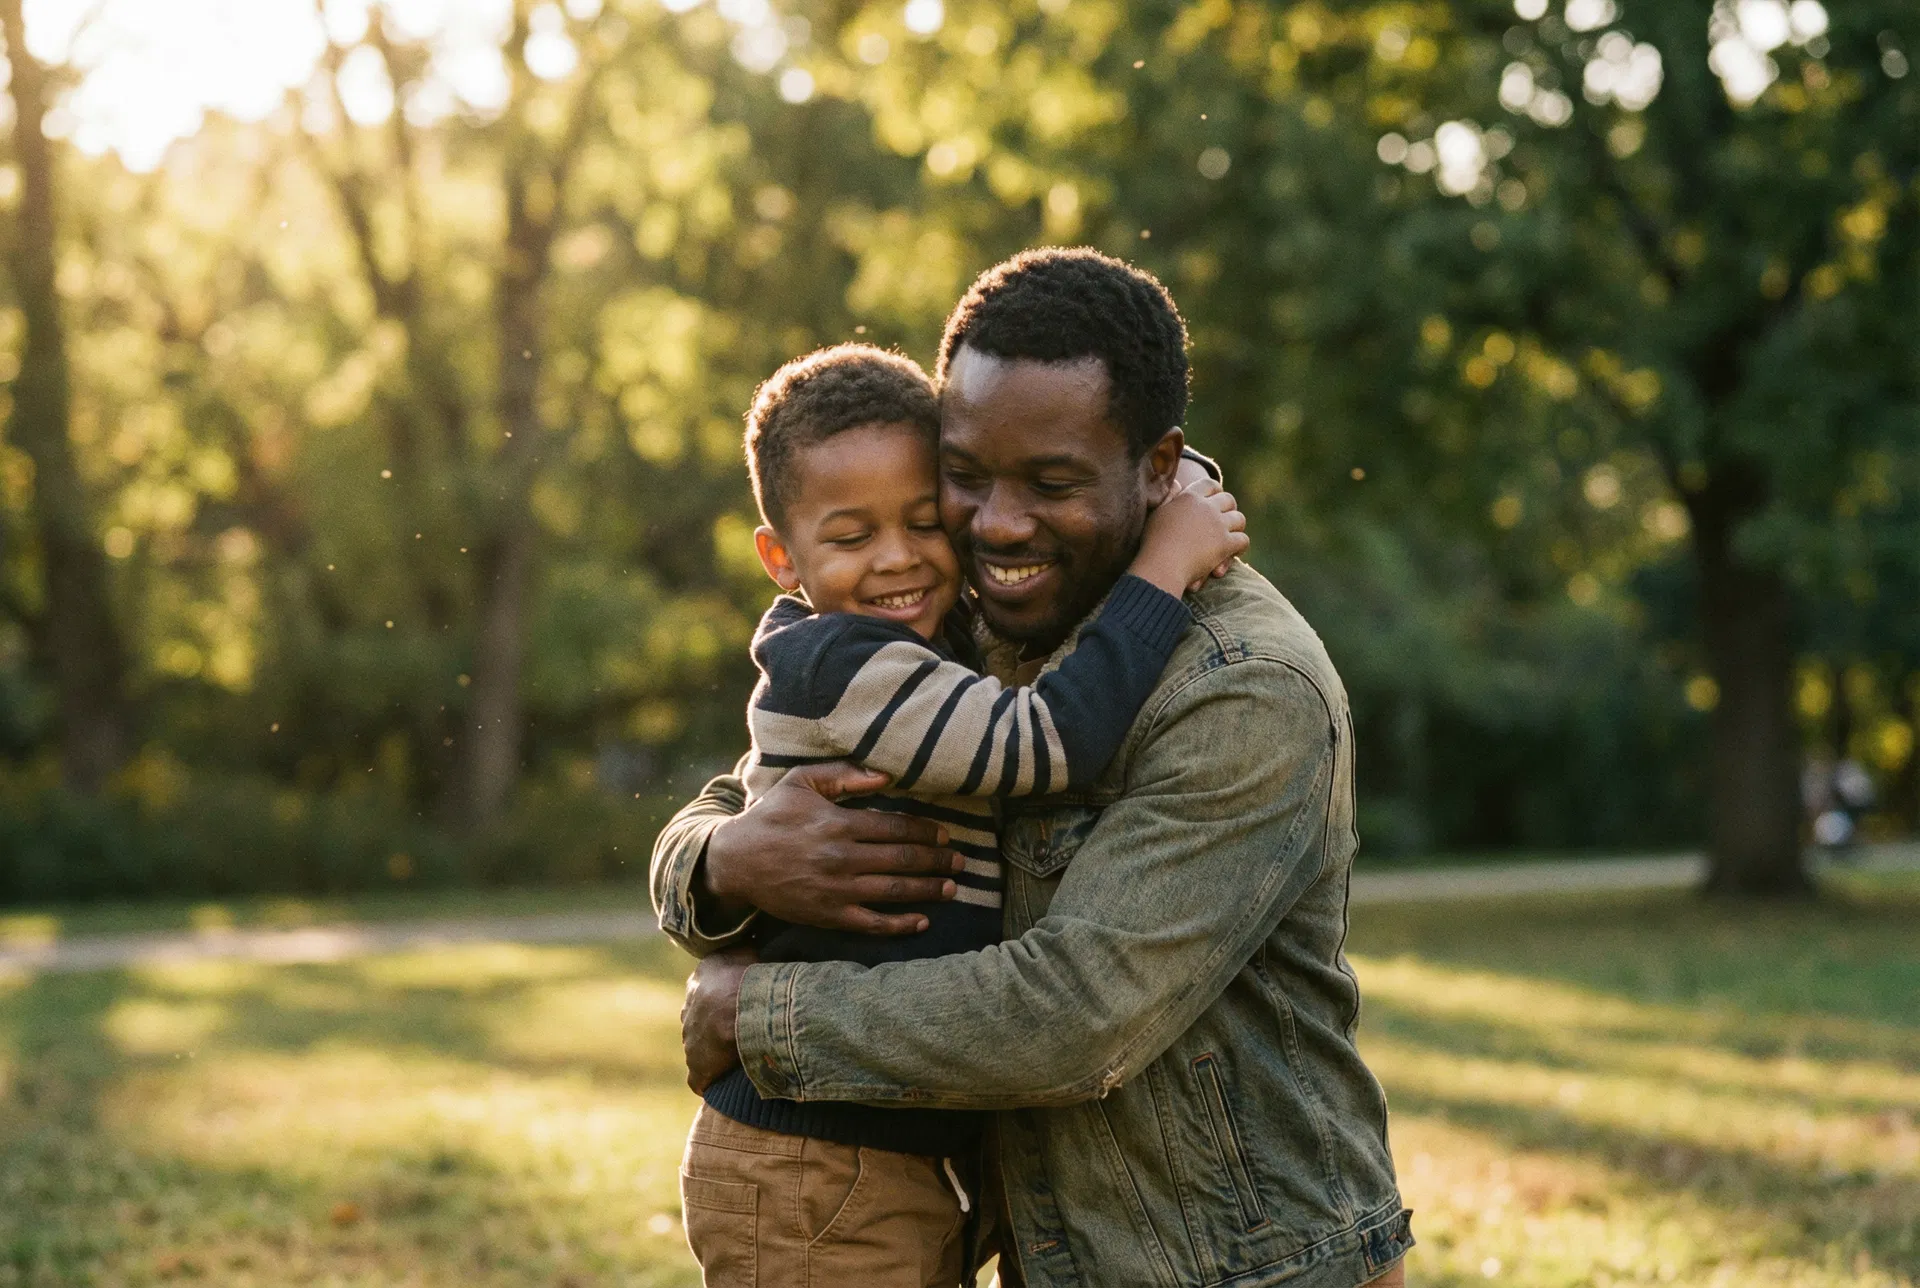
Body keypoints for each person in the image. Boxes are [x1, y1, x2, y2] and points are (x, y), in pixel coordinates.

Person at [655, 248, 1412, 1288]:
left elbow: (1074, 1017)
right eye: (963, 479)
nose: (995, 524)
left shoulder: (1243, 687)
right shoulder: (963, 616)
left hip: (1239, 1269)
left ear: (1158, 468)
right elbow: (746, 783)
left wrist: (760, 1013)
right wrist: (722, 859)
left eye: (1050, 483)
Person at [673, 341, 1249, 1288]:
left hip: (887, 1154)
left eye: (924, 521)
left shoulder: (925, 638)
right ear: (782, 558)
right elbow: (1044, 741)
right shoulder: (846, 663)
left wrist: (1177, 484)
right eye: (852, 539)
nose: (899, 558)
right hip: (821, 1162)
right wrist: (1164, 567)